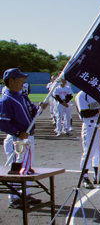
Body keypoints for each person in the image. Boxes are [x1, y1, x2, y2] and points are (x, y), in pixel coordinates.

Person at [0, 68, 48, 209]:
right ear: (11, 81)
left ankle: (25, 194)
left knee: (26, 168)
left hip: (27, 138)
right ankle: (14, 198)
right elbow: (3, 122)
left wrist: (40, 108)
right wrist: (17, 132)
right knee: (16, 168)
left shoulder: (22, 96)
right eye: (20, 79)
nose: (23, 82)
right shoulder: (6, 99)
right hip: (16, 139)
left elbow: (32, 112)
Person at [75, 91, 100, 189]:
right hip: (89, 125)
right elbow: (84, 113)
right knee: (89, 152)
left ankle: (97, 176)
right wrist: (99, 110)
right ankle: (84, 177)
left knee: (98, 152)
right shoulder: (81, 95)